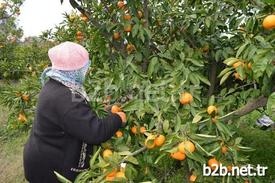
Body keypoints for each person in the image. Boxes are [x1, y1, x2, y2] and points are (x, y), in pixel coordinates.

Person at [23, 41, 127, 183]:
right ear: (74, 70)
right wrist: (118, 118)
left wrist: (104, 110)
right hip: (50, 170)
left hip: (43, 156)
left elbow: (77, 117)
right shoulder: (65, 98)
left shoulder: (56, 85)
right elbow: (95, 132)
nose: (86, 71)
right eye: (84, 68)